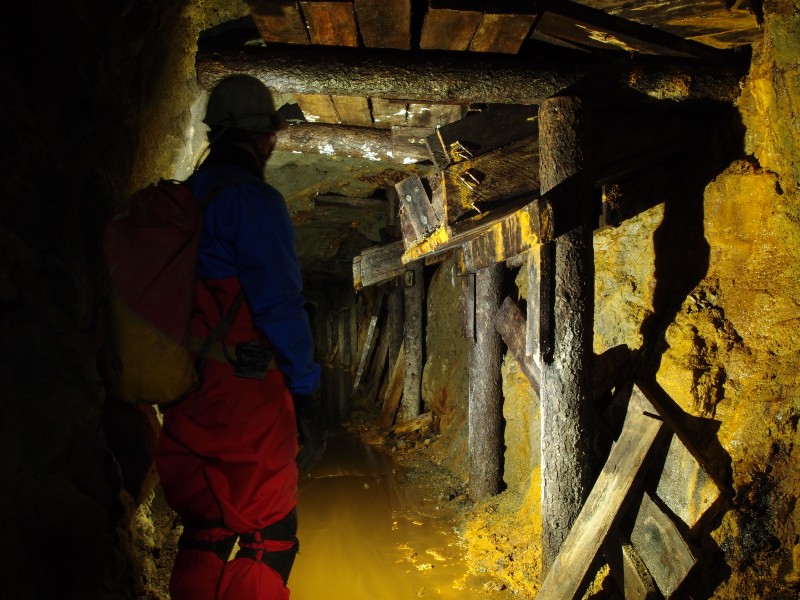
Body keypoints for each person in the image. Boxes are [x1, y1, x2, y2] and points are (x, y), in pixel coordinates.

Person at [155, 74, 325, 600]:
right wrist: (307, 392)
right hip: (244, 397)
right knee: (269, 539)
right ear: (264, 137)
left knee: (207, 531)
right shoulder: (254, 201)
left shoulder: (183, 201)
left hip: (185, 392)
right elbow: (279, 305)